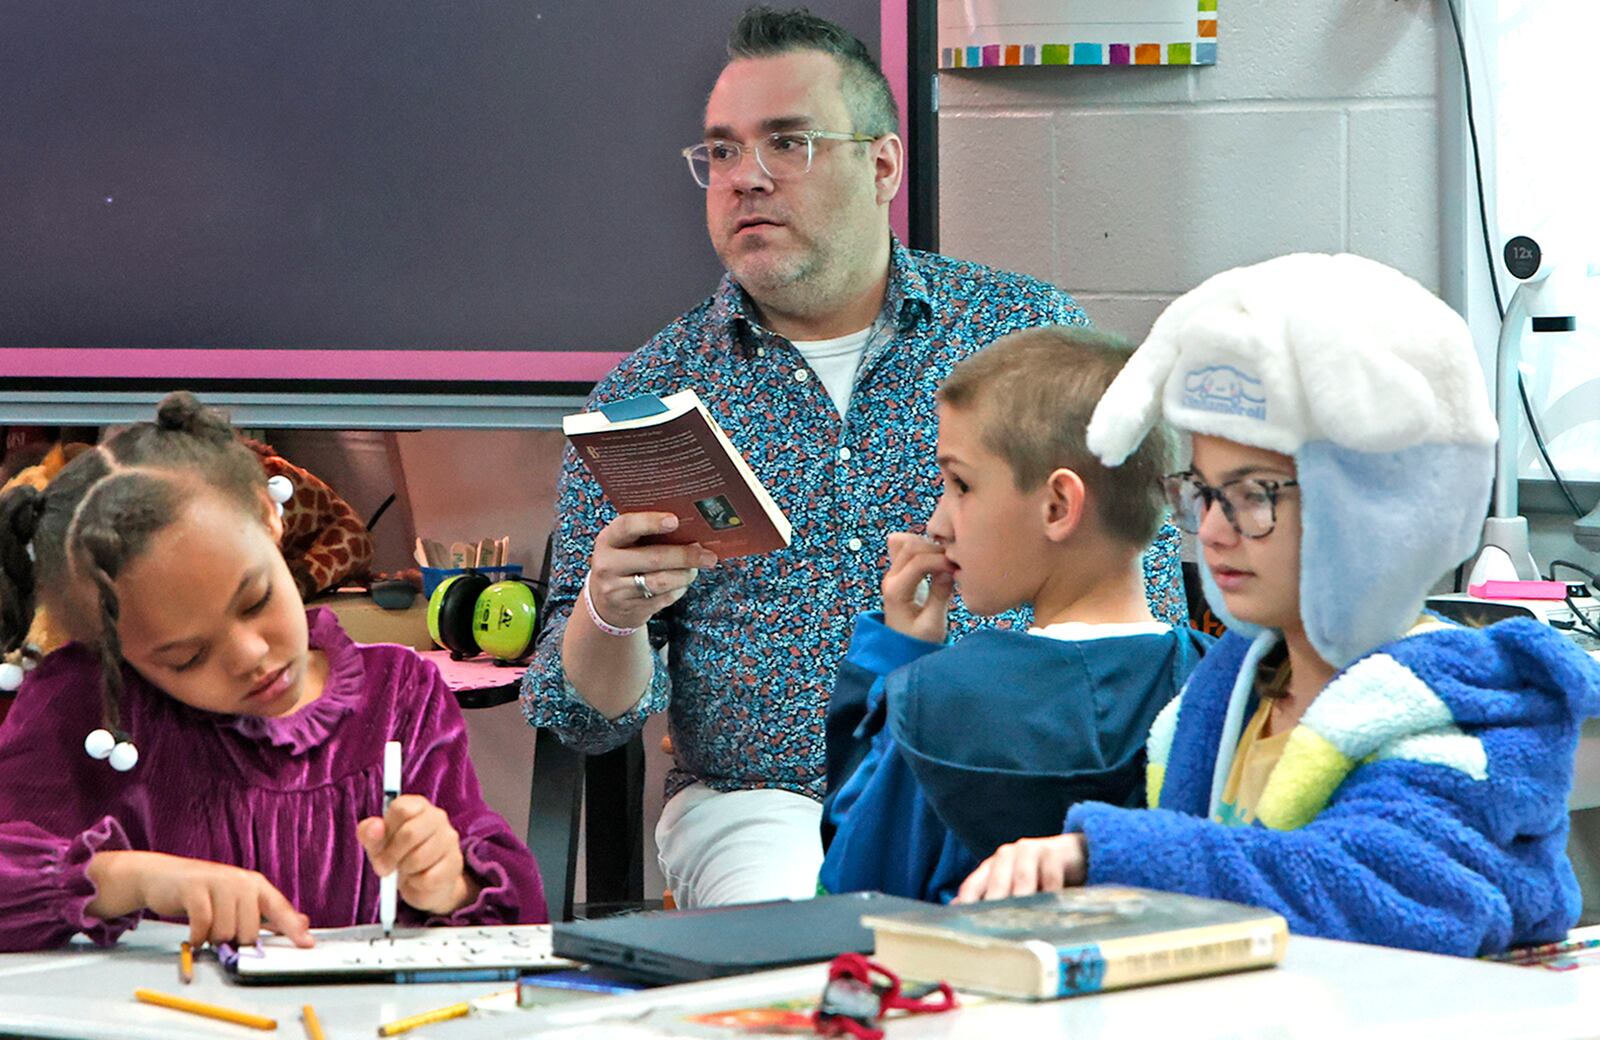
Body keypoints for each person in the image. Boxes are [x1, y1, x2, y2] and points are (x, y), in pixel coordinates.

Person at [519, 5, 1186, 909]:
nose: (745, 178)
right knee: (821, 943)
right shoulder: (649, 398)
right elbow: (581, 717)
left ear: (882, 165)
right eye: (720, 152)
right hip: (764, 802)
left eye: (786, 143)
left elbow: (1140, 588)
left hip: (1030, 767)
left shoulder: (1023, 336)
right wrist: (611, 613)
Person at [956, 253, 1600, 957]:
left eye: (1255, 494)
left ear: (1373, 505)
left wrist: (1111, 852)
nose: (1210, 528)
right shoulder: (1228, 692)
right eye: (1201, 490)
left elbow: (1382, 892)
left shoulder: (1467, 719)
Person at [0, 393, 546, 952]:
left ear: (269, 516)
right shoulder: (88, 709)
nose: (250, 655)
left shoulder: (401, 696)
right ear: (112, 654)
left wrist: (450, 882)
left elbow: (521, 921)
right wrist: (128, 879)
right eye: (186, 658)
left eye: (255, 600)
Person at [819, 327, 1211, 903]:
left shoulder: (934, 701)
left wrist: (892, 661)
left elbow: (852, 890)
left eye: (960, 484)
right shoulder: (1215, 687)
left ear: (1057, 506)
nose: (937, 523)